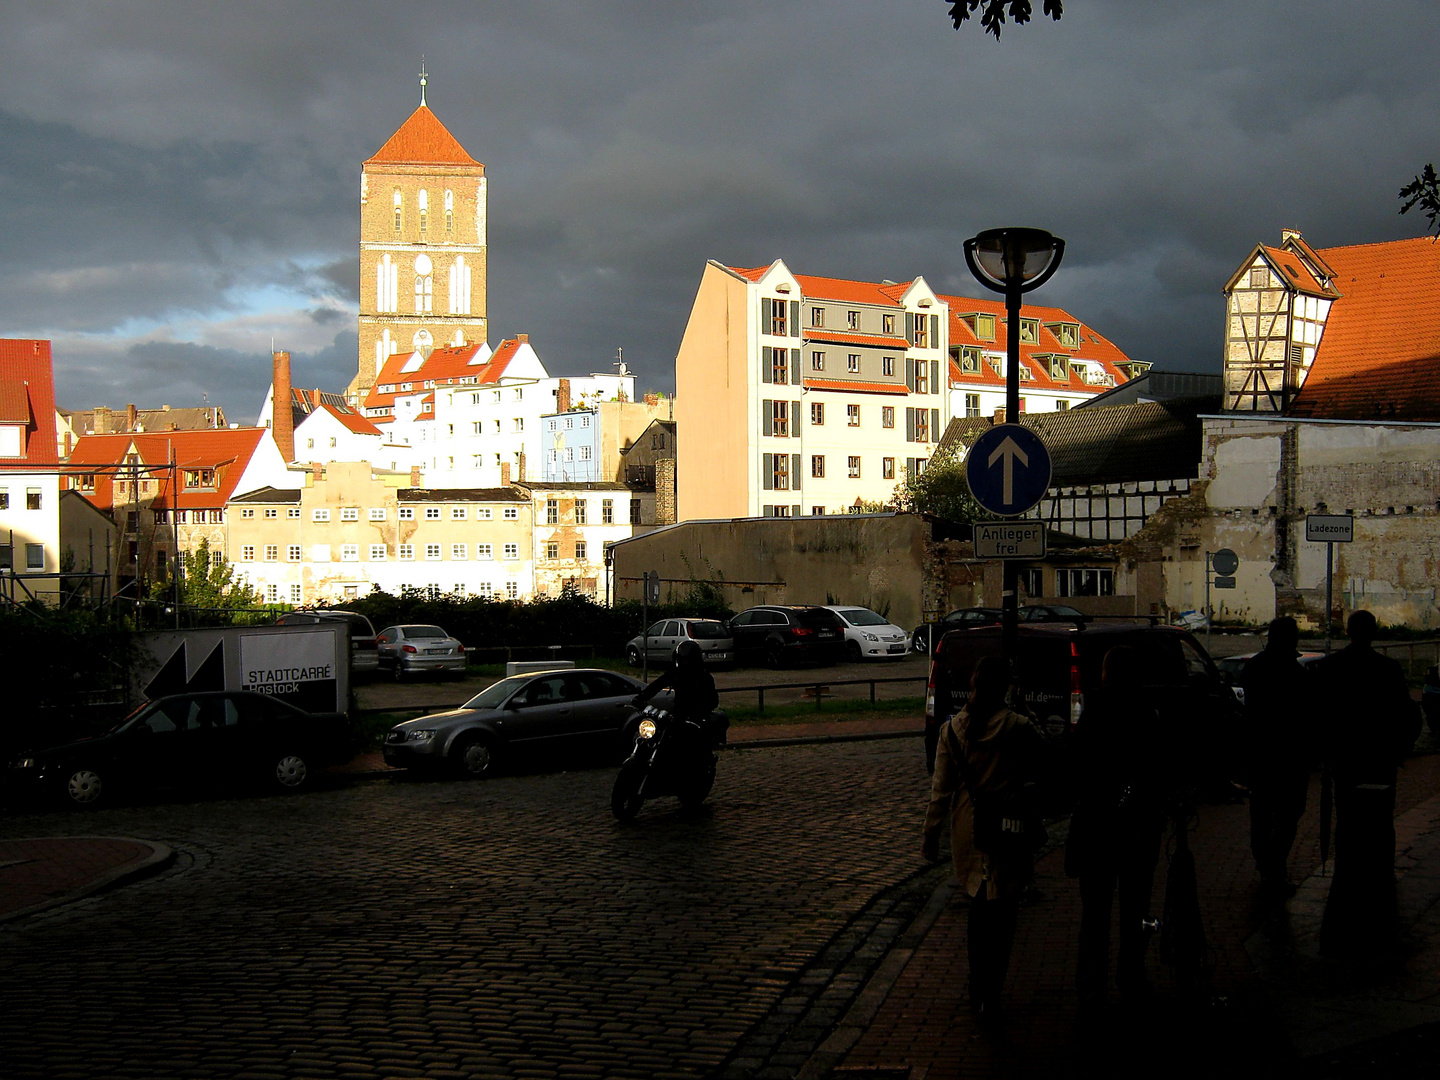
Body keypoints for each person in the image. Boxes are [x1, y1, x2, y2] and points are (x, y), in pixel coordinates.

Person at [922, 655, 1045, 1023]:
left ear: (973, 685)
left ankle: (978, 985)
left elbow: (940, 791)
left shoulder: (952, 731)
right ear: (1006, 686)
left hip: (968, 828)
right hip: (1008, 827)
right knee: (1004, 912)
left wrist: (930, 835)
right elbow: (1042, 761)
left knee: (978, 906)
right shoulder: (1017, 726)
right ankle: (993, 990)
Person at [1067, 645, 1172, 1015]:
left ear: (1106, 673)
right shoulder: (1148, 712)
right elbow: (1160, 768)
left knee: (1095, 912)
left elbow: (1078, 765)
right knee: (1136, 908)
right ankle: (1132, 975)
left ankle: (1091, 985)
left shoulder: (1095, 711)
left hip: (1099, 824)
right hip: (1139, 824)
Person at [1316, 610, 1422, 960]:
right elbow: (1408, 715)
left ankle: (1348, 879)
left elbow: (1319, 715)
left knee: (1348, 820)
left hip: (1347, 762)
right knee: (1380, 822)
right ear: (1374, 633)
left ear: (1348, 631)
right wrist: (1399, 750)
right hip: (1379, 761)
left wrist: (1327, 754)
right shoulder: (1387, 669)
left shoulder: (1331, 668)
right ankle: (1378, 879)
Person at [1241, 616, 1315, 901]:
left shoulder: (1254, 668)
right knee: (1287, 814)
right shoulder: (1296, 675)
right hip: (1289, 757)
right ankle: (1274, 866)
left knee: (1261, 815)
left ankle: (1267, 865)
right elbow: (1306, 718)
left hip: (1261, 755)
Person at [633, 639, 721, 731]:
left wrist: (699, 712)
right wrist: (641, 697)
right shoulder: (675, 673)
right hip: (678, 715)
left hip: (696, 720)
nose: (686, 662)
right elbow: (657, 685)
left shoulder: (704, 677)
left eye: (688, 660)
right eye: (683, 659)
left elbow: (713, 700)